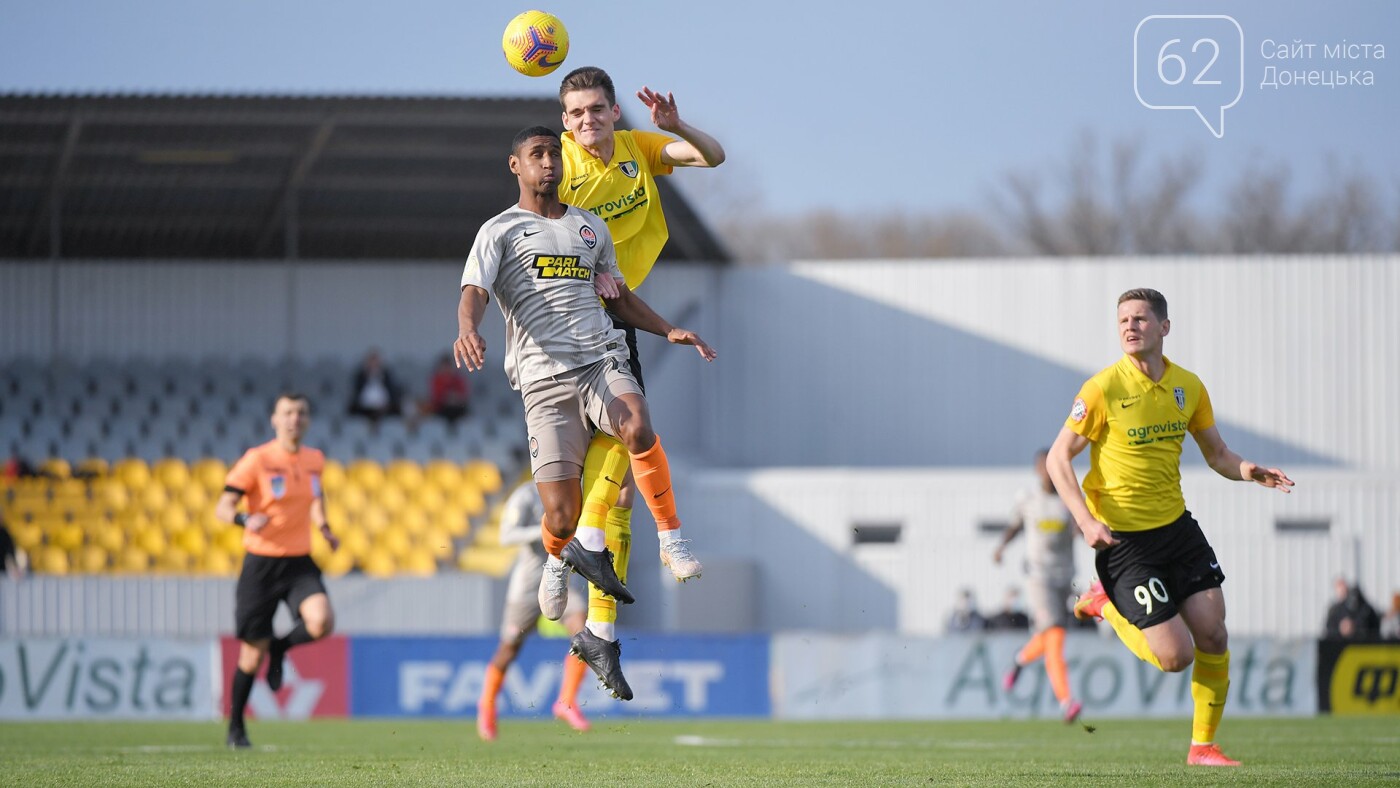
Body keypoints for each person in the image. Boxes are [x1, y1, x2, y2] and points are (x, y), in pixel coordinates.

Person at [454, 126, 716, 701]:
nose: (549, 163)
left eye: (554, 153)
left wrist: (667, 327)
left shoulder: (588, 227)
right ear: (516, 165)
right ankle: (560, 558)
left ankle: (672, 538)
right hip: (542, 382)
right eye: (537, 155)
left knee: (637, 424)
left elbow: (616, 296)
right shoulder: (499, 230)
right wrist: (467, 326)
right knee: (561, 516)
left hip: (600, 359)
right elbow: (474, 287)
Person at [1046, 288, 1293, 767]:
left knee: (1214, 634)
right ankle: (1105, 604)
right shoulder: (1101, 389)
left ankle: (1203, 747)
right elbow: (1058, 458)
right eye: (1122, 320)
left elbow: (1218, 455)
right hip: (1124, 542)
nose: (1130, 326)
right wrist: (1084, 520)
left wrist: (1248, 471)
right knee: (1175, 657)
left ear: (1164, 327)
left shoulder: (1188, 386)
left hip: (1177, 529)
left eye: (1140, 318)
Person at [556, 66, 726, 658]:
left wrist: (678, 126)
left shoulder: (637, 150)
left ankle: (600, 621)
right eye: (575, 113)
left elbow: (713, 157)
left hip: (617, 312)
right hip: (568, 326)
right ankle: (573, 553)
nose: (586, 121)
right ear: (564, 122)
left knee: (624, 468)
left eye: (595, 109)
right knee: (602, 466)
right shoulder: (560, 169)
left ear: (614, 112)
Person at [215, 392, 340, 749]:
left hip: (299, 561)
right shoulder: (257, 460)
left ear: (308, 420)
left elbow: (316, 497)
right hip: (261, 563)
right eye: (287, 412)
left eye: (301, 413)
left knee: (321, 621)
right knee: (251, 655)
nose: (294, 419)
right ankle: (236, 728)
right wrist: (243, 518)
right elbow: (222, 507)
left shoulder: (315, 459)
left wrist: (324, 526)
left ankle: (281, 649)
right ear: (274, 419)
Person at [477, 481, 591, 741]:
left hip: (560, 580)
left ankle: (567, 701)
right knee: (509, 649)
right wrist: (544, 530)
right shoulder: (525, 495)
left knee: (583, 630)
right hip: (528, 587)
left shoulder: (574, 491)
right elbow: (506, 535)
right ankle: (487, 706)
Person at [992, 449, 1083, 722]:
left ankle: (1020, 659)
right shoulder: (1028, 499)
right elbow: (1016, 525)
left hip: (1065, 575)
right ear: (1036, 470)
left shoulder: (1069, 498)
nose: (1046, 471)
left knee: (1048, 635)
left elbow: (1081, 523)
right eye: (1042, 467)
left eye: (1050, 466)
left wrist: (1084, 528)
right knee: (1055, 636)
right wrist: (1001, 547)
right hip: (1039, 577)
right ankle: (1066, 701)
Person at [413, 353, 472, 428]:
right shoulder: (436, 380)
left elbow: (464, 394)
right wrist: (445, 398)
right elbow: (434, 396)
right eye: (445, 367)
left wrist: (456, 398)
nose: (447, 369)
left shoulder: (458, 380)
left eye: (449, 366)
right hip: (441, 408)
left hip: (457, 408)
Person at [346, 348, 403, 425]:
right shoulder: (361, 375)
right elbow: (357, 390)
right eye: (371, 361)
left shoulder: (386, 375)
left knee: (397, 410)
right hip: (364, 408)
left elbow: (392, 390)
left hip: (384, 407)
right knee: (351, 410)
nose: (373, 364)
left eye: (375, 361)